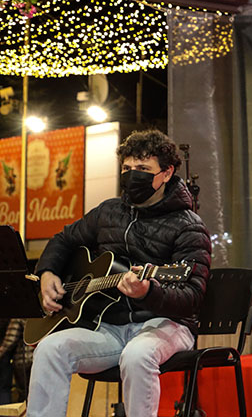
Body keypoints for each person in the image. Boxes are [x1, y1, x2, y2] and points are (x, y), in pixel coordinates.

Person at [27, 129, 211, 417]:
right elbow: (63, 239)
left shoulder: (189, 226)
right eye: (126, 168)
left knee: (137, 355)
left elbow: (192, 297)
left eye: (143, 169)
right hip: (109, 327)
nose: (132, 175)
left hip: (167, 325)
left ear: (166, 173)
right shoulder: (108, 212)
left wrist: (149, 292)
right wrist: (48, 272)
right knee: (50, 348)